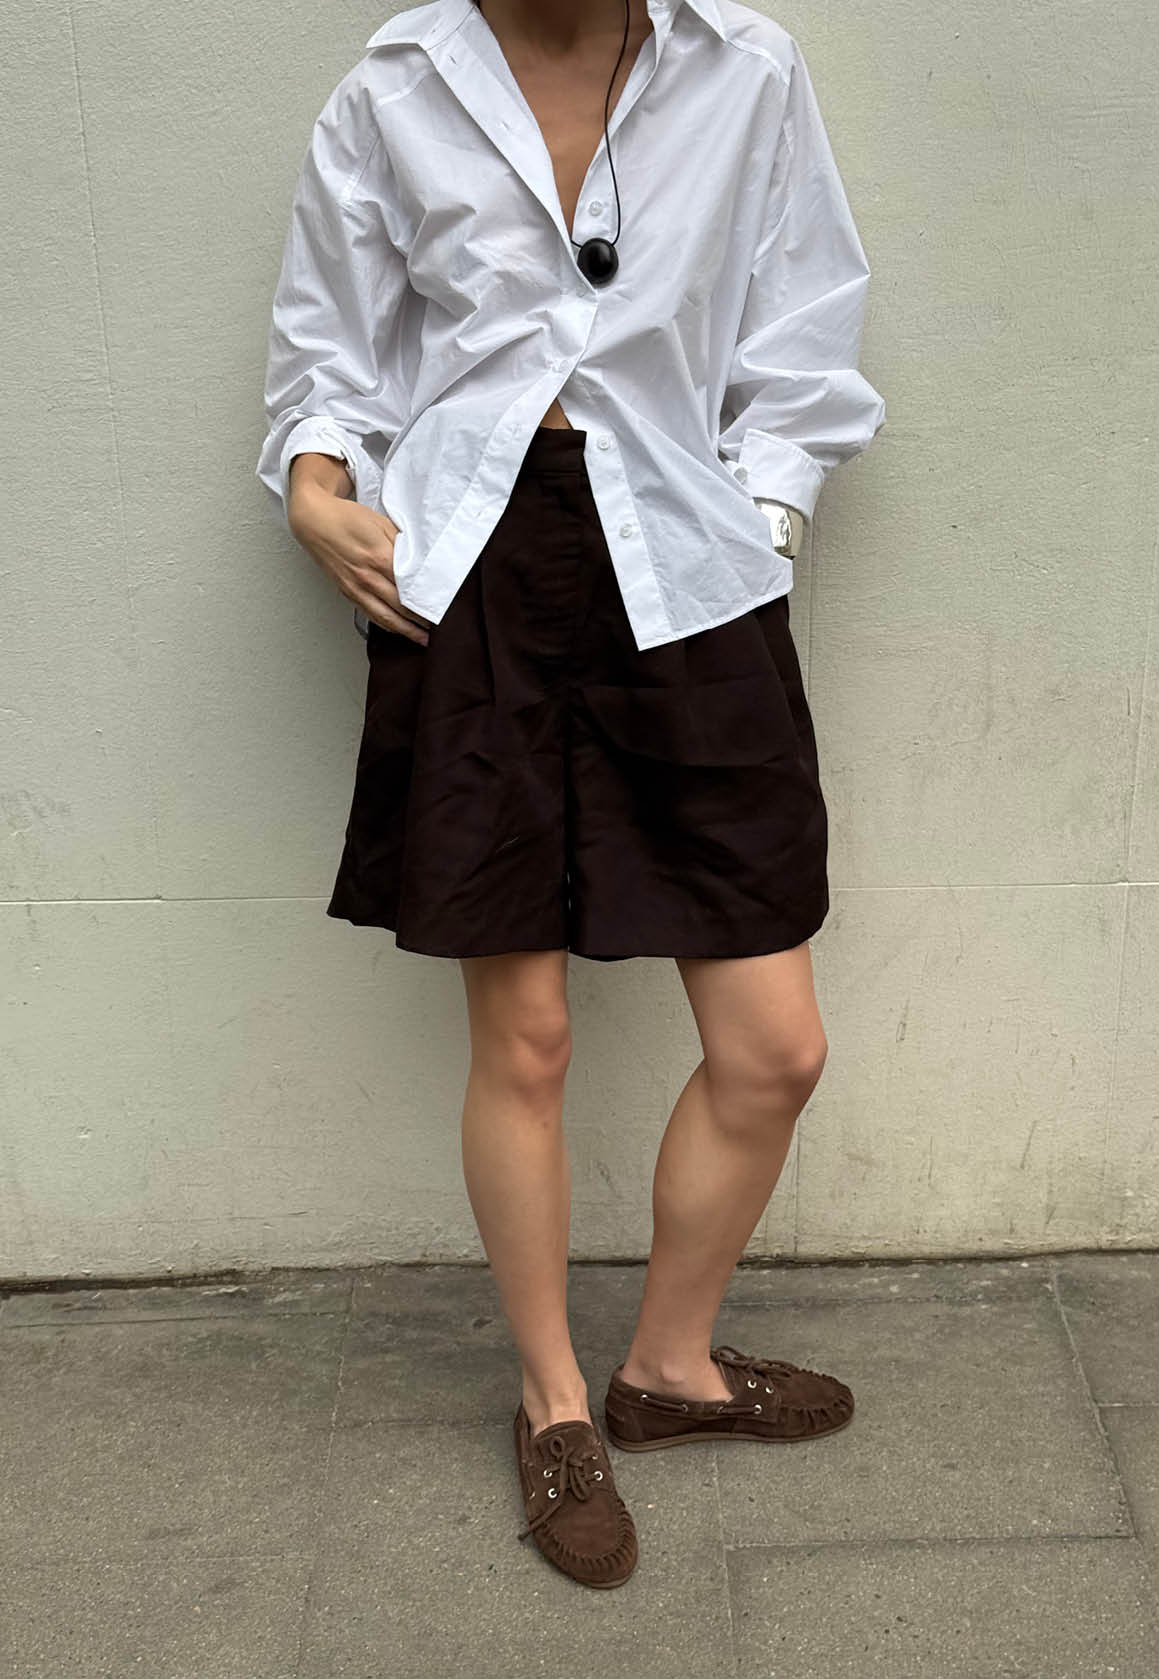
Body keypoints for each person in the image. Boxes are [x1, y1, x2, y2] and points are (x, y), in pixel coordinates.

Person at [256, 0, 883, 1591]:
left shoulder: (746, 68)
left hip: (689, 567)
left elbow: (803, 330)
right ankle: (552, 1404)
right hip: (476, 570)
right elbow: (329, 351)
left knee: (775, 1045)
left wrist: (759, 522)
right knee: (525, 1036)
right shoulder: (397, 87)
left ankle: (668, 1366)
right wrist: (317, 487)